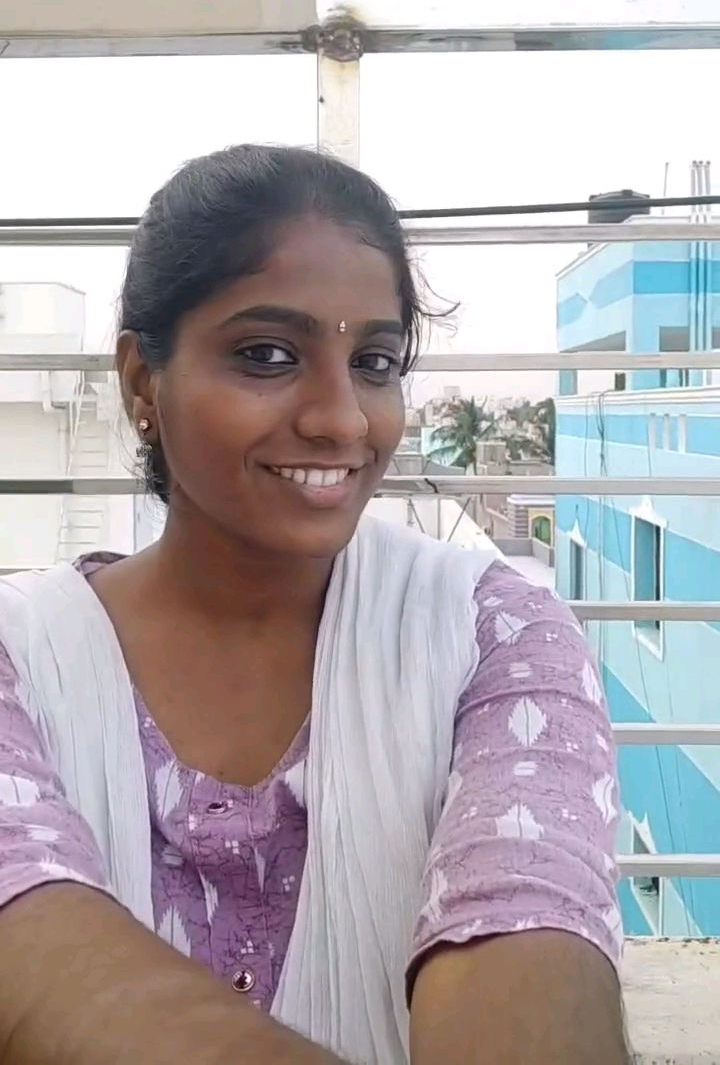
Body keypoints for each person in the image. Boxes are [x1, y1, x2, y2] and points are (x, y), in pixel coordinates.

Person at [0, 145, 628, 1065]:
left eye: (374, 361)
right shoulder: (19, 659)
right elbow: (31, 956)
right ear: (140, 379)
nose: (341, 419)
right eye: (267, 355)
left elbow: (531, 921)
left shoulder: (495, 637)